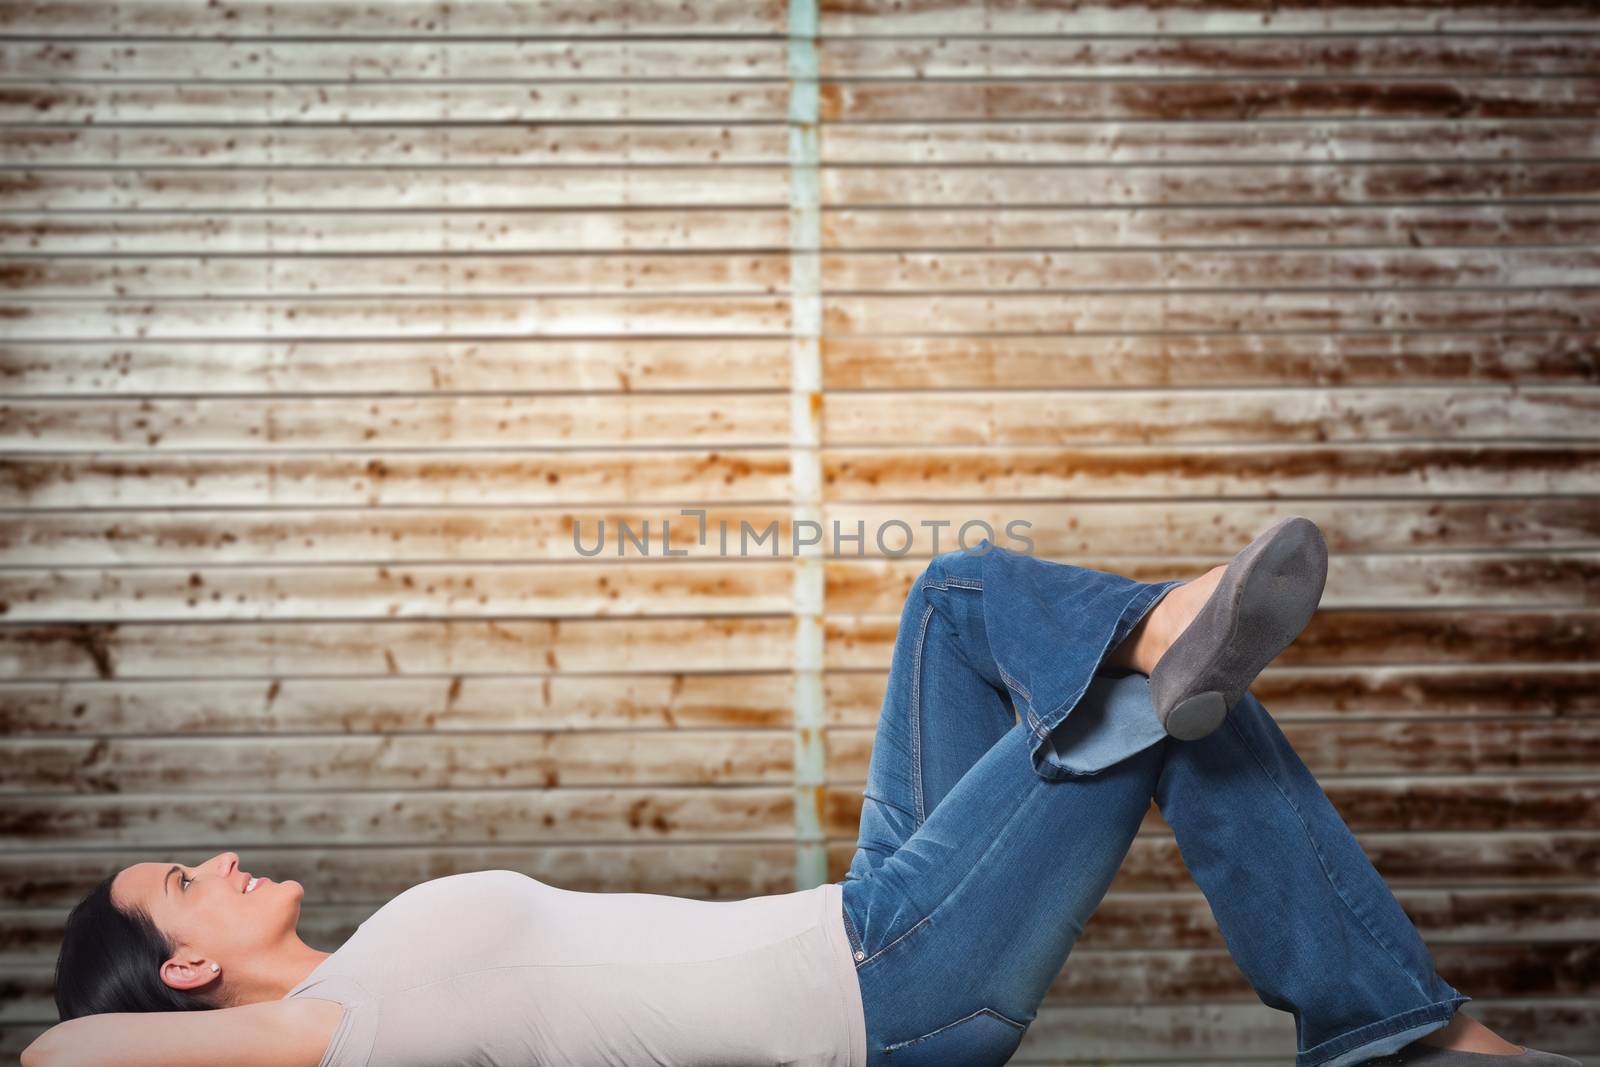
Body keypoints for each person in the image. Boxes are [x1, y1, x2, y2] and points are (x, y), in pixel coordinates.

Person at [22, 517, 1581, 1067]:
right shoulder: (321, 1038)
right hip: (884, 989)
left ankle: (1158, 635)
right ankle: (1401, 1035)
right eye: (179, 883)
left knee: (964, 600)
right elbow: (55, 1054)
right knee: (1145, 700)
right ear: (186, 971)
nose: (213, 859)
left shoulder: (356, 993)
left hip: (859, 921)